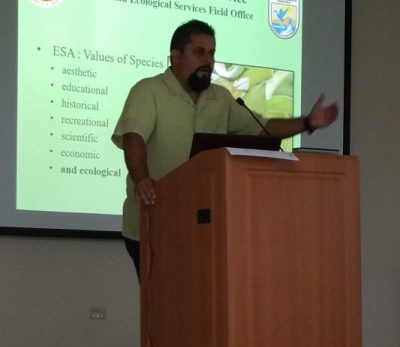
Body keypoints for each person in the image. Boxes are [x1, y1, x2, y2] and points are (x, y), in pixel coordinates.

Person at [112, 20, 338, 281]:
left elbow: (262, 128)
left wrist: (308, 122)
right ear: (175, 56)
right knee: (166, 310)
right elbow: (134, 137)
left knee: (201, 308)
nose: (207, 60)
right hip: (154, 226)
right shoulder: (148, 90)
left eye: (211, 53)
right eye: (199, 52)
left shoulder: (221, 98)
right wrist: (142, 178)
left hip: (203, 226)